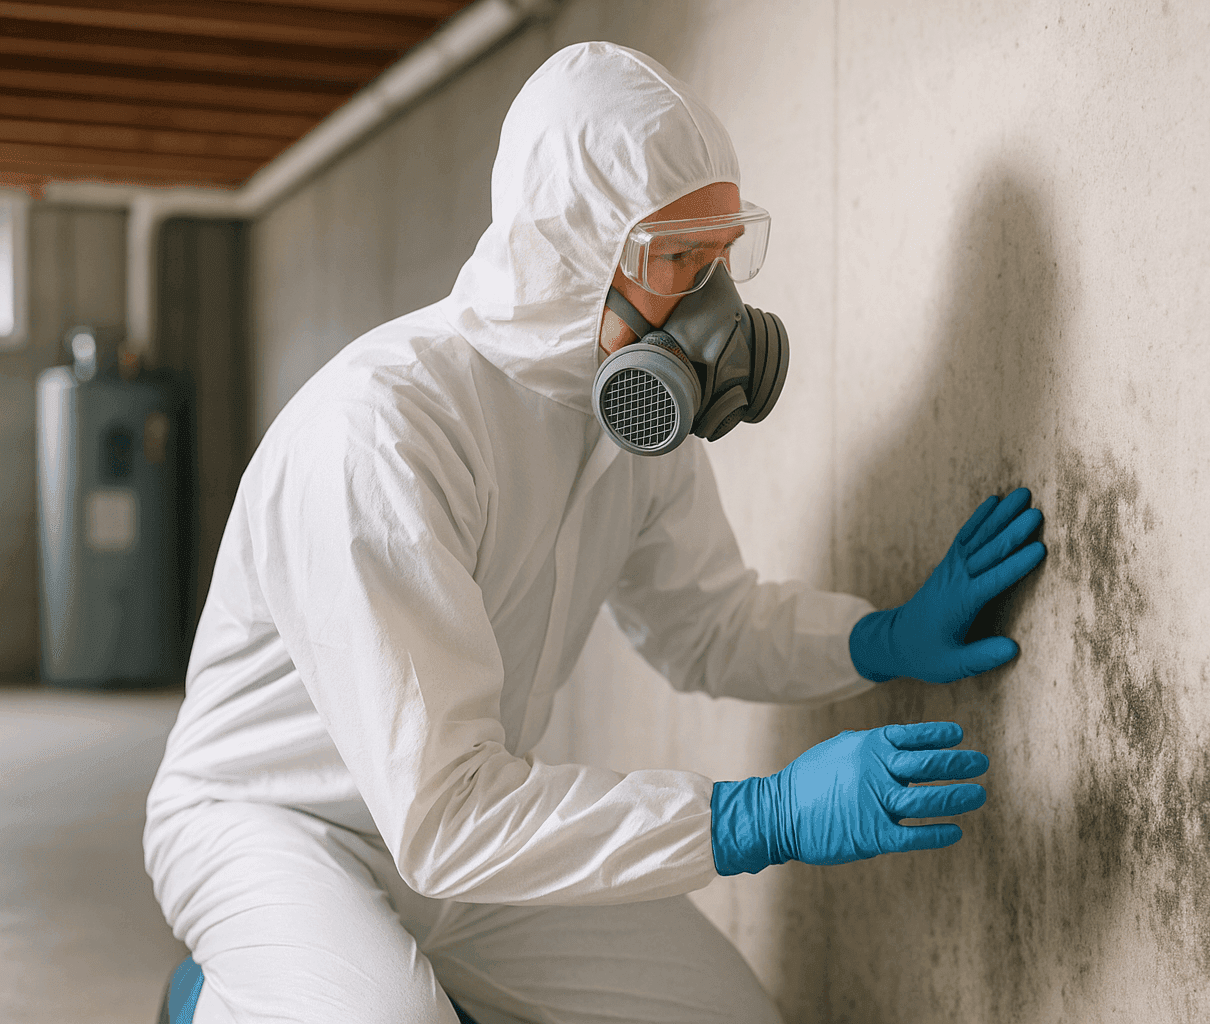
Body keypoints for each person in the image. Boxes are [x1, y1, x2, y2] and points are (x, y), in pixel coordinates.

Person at [144, 41, 1046, 1024]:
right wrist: (763, 815)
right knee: (384, 1016)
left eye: (721, 256)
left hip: (468, 833)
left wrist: (882, 637)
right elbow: (445, 816)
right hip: (278, 826)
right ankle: (214, 1002)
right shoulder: (382, 435)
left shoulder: (629, 423)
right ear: (568, 252)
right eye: (675, 260)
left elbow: (707, 622)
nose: (715, 307)